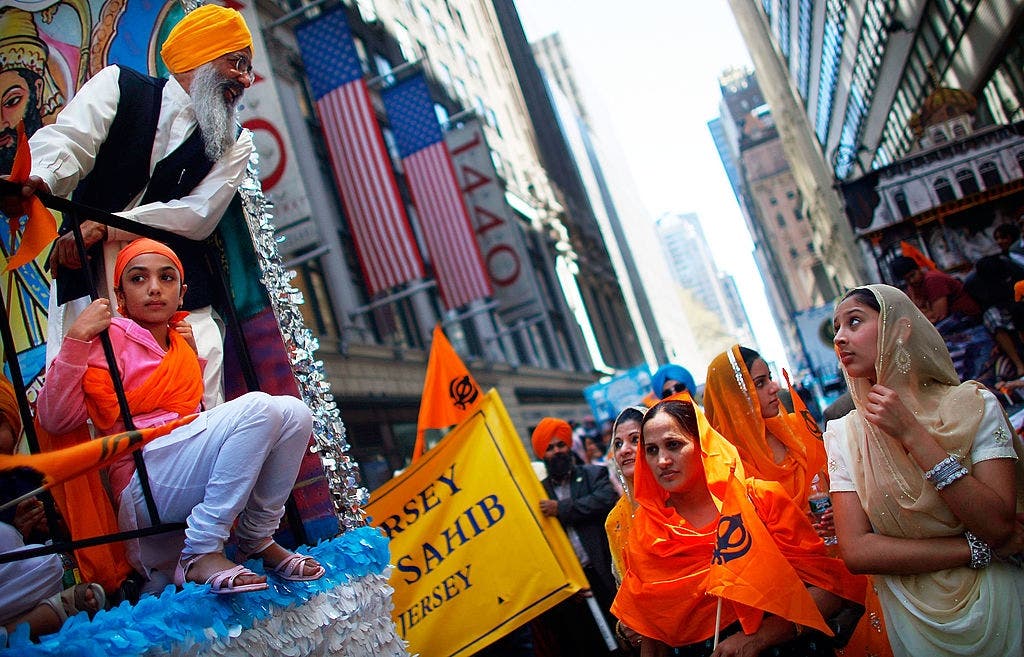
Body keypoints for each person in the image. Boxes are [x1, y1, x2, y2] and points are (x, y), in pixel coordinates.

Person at [35, 238, 322, 594]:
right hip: (142, 480)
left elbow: (199, 423)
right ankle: (201, 552)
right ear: (120, 296)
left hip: (183, 473)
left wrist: (190, 357)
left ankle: (257, 537)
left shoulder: (182, 344)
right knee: (260, 407)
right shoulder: (105, 342)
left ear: (182, 293)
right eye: (138, 279)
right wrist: (77, 336)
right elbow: (54, 419)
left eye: (166, 278)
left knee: (296, 412)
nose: (154, 288)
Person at [12, 4, 257, 408]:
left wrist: (106, 226)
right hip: (90, 276)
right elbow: (69, 141)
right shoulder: (120, 85)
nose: (245, 79)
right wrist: (37, 179)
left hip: (178, 289)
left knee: (196, 404)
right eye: (237, 63)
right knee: (94, 399)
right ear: (200, 56)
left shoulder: (237, 140)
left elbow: (197, 215)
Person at [826, 284, 1024, 656]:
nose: (840, 338)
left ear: (900, 330)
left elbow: (998, 523)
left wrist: (913, 434)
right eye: (837, 328)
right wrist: (971, 550)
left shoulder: (974, 404)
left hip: (1002, 607)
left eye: (854, 322)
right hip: (913, 621)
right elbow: (857, 551)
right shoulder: (844, 434)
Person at [611, 399, 866, 656]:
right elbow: (654, 640)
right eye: (652, 450)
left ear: (703, 445)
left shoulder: (759, 501)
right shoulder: (646, 532)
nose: (663, 460)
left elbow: (830, 591)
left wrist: (759, 638)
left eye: (674, 445)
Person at [532, 417, 618, 654]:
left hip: (603, 574)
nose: (556, 451)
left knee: (623, 636)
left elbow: (604, 500)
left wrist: (561, 509)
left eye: (560, 445)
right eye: (549, 448)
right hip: (573, 588)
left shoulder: (594, 475)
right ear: (542, 454)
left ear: (569, 446)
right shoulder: (537, 491)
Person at [703, 345, 826, 512]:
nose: (774, 387)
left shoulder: (798, 428)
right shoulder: (727, 464)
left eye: (769, 378)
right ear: (735, 398)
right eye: (760, 383)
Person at [604, 406, 644, 587]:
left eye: (635, 440)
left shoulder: (685, 497)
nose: (624, 450)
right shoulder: (615, 520)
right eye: (618, 444)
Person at [889, 256, 980, 330]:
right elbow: (914, 312)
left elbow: (939, 316)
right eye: (907, 279)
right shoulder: (913, 287)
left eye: (912, 275)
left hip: (967, 318)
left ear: (919, 269)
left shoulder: (933, 280)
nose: (912, 281)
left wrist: (921, 315)